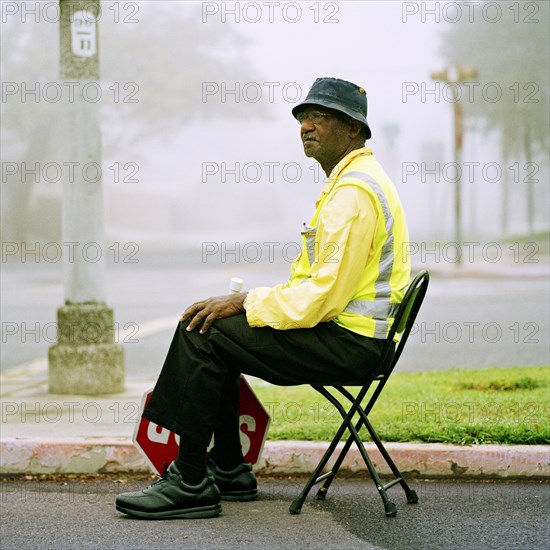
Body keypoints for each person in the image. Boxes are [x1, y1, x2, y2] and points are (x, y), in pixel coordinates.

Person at [115, 77, 411, 519]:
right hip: (356, 340)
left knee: (201, 332)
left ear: (354, 129)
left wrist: (247, 302)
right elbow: (319, 287)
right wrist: (252, 306)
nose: (306, 126)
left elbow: (322, 297)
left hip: (349, 344)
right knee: (217, 331)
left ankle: (191, 480)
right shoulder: (353, 182)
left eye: (321, 117)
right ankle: (231, 469)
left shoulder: (353, 193)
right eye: (303, 118)